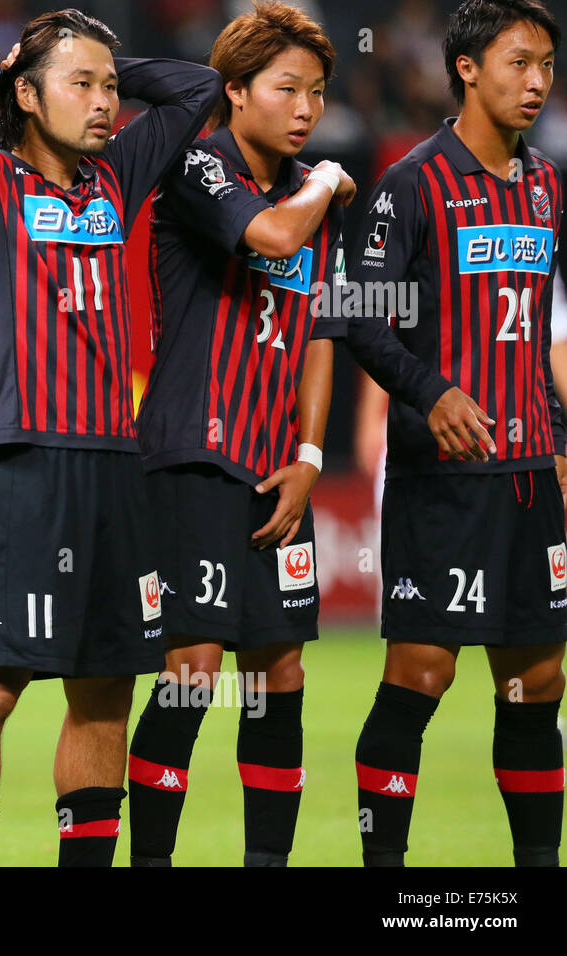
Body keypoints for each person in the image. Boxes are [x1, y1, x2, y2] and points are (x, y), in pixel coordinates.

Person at [0, 8, 221, 865]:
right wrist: (7, 58)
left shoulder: (115, 179)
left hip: (114, 461)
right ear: (24, 92)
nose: (104, 103)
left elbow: (197, 88)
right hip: (22, 457)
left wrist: (102, 57)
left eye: (111, 88)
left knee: (106, 691)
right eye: (81, 85)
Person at [342, 0, 566, 866]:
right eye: (519, 62)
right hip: (445, 476)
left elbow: (537, 332)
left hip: (527, 472)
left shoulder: (546, 186)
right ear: (468, 68)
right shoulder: (413, 184)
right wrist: (430, 391)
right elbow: (360, 315)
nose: (538, 81)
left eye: (546, 63)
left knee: (535, 681)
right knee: (421, 675)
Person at [128, 1, 350, 867]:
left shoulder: (305, 189)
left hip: (272, 465)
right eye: (286, 88)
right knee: (192, 669)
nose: (305, 108)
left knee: (278, 675)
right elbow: (270, 236)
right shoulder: (201, 165)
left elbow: (318, 336)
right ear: (235, 92)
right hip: (191, 452)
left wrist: (308, 457)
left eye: (318, 92)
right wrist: (328, 182)